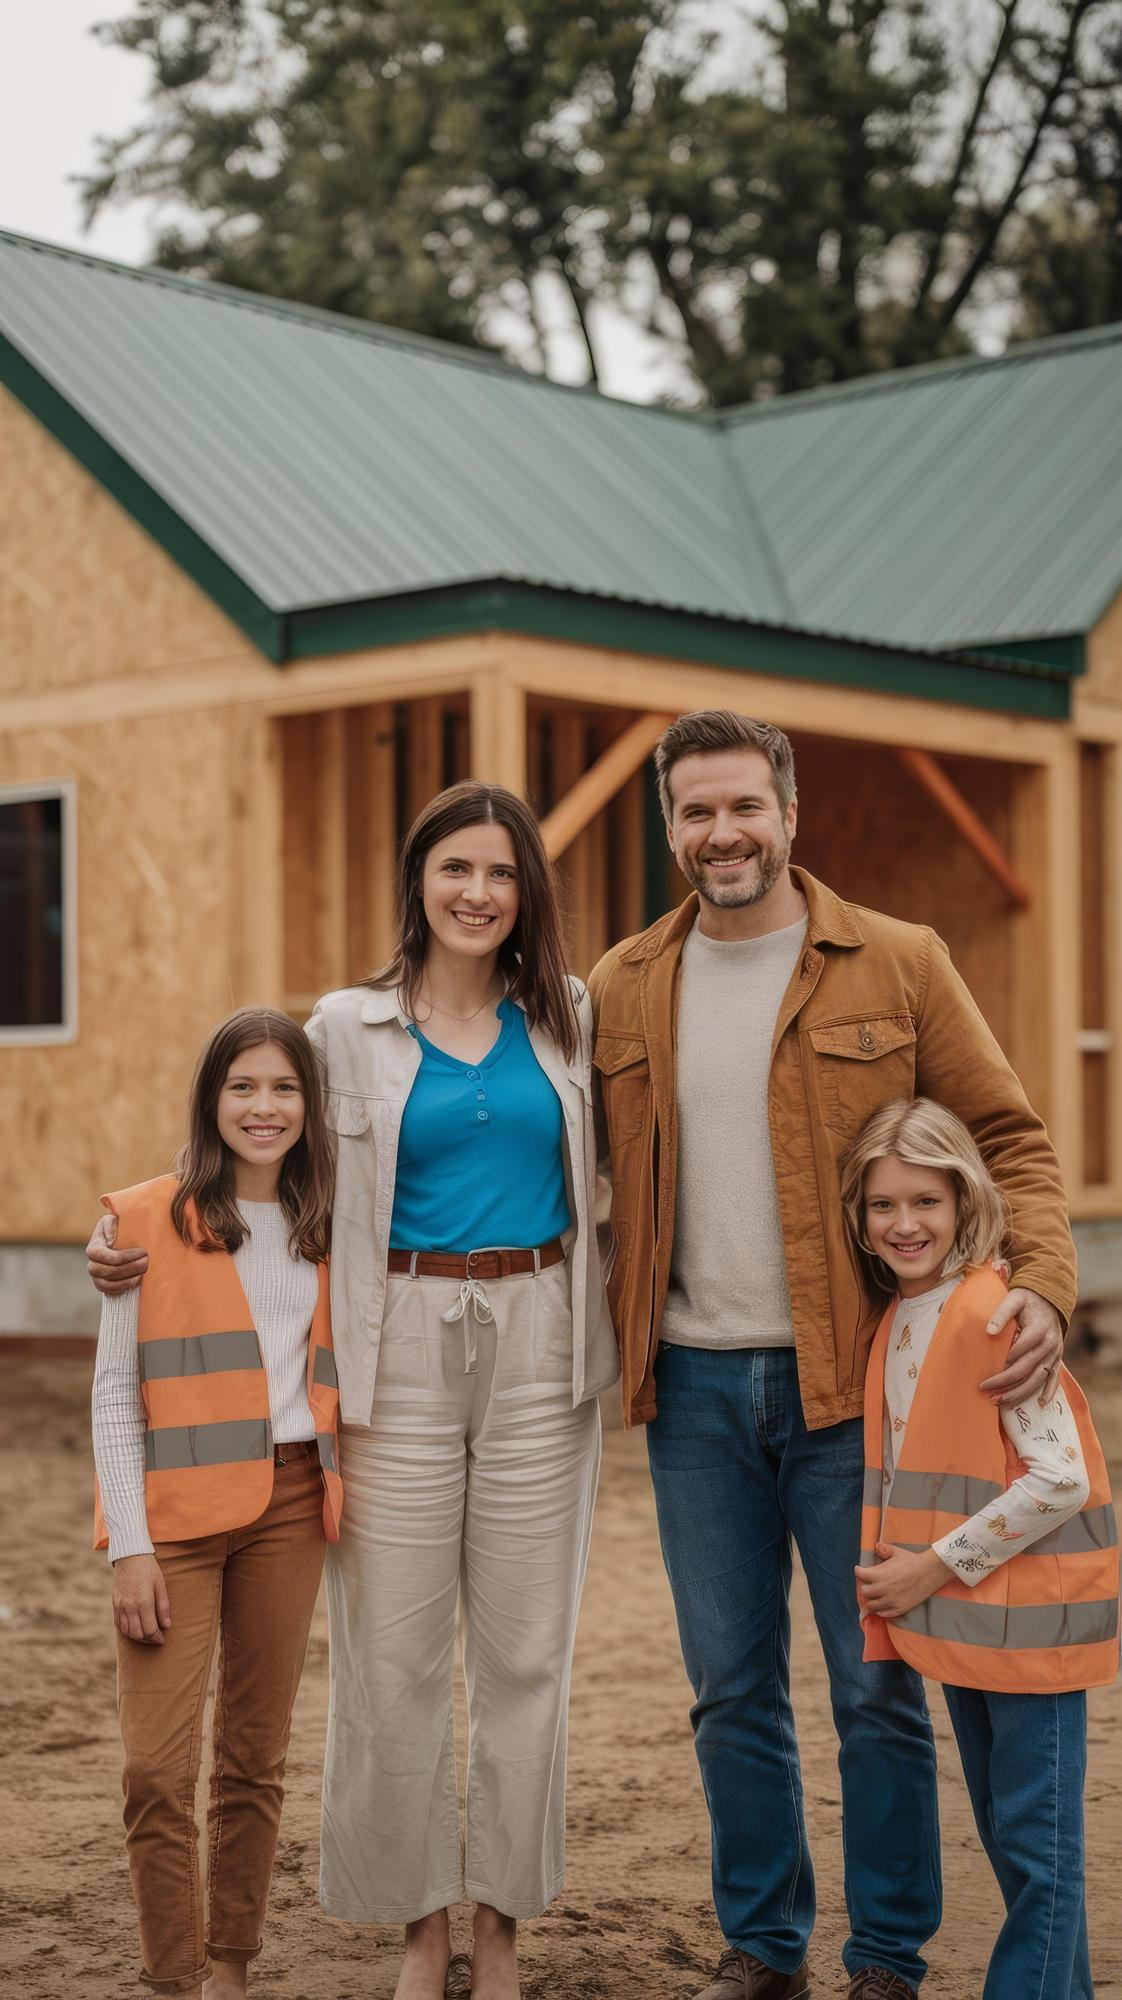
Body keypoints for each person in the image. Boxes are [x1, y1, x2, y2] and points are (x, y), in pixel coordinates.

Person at [90, 782, 617, 2000]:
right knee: (393, 1653)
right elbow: (249, 1142)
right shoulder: (342, 1027)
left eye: (501, 871)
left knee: (530, 1652)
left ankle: (501, 1923)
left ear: (527, 887)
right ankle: (419, 1925)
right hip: (393, 1346)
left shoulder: (573, 1018)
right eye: (454, 869)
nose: (478, 892)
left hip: (544, 1337)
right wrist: (128, 1237)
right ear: (417, 883)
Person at [588, 710, 1077, 2000]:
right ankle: (764, 1945)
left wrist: (1045, 1283)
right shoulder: (623, 982)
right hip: (689, 1388)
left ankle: (885, 1958)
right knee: (729, 1688)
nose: (722, 831)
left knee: (874, 1687)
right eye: (696, 810)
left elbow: (1010, 1136)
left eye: (744, 804)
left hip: (856, 1385)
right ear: (670, 824)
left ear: (790, 813)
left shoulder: (898, 960)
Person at [90, 1006, 342, 2000]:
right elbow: (116, 1387)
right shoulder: (142, 1219)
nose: (264, 1105)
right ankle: (172, 1975)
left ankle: (230, 1962)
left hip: (291, 1504)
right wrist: (129, 1544)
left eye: (285, 1086)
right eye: (243, 1085)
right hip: (175, 1518)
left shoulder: (335, 1222)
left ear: (310, 1105)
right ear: (212, 1099)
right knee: (155, 1769)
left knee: (254, 1753)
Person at [844, 1097, 1118, 2000]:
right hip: (971, 1626)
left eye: (925, 1200)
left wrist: (930, 1566)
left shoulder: (992, 1312)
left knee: (1039, 1850)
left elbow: (1061, 1479)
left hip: (1030, 1630)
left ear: (964, 1198)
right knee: (1013, 1838)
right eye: (883, 1205)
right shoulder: (901, 1315)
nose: (904, 1223)